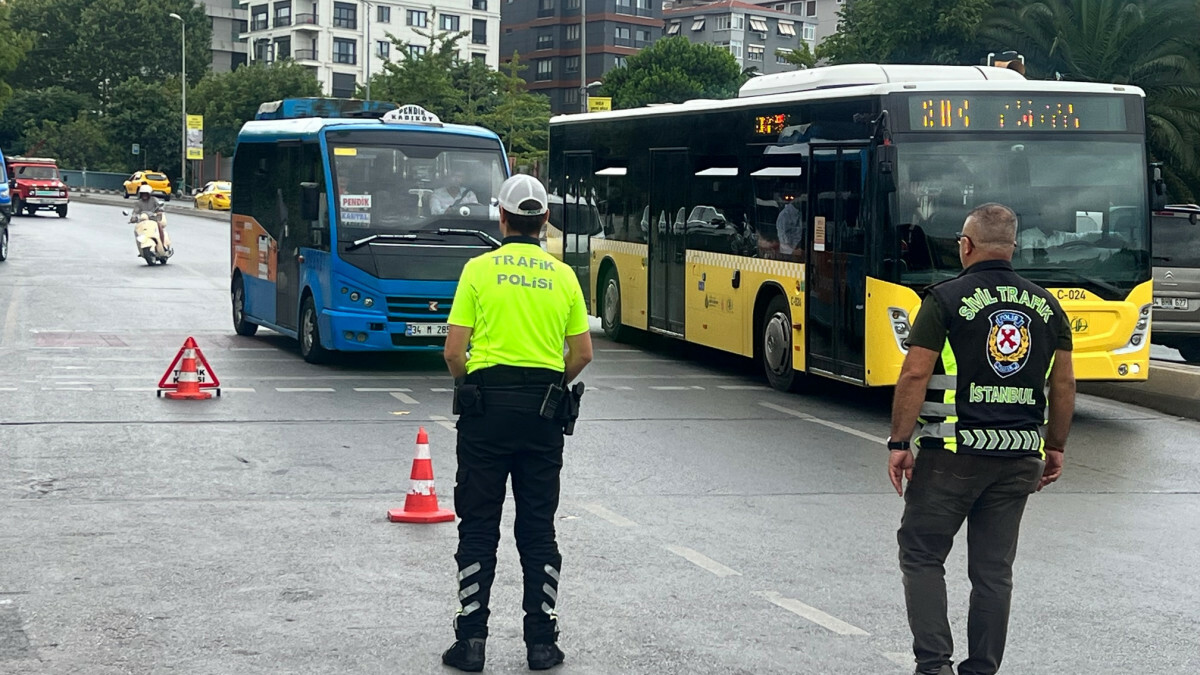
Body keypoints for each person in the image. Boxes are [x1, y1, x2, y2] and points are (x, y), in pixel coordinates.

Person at [886, 203, 1076, 675]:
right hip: (1018, 457)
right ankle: (982, 669)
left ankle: (934, 665)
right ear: (1013, 247)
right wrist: (1055, 446)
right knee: (993, 571)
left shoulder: (945, 299)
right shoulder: (1048, 306)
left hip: (952, 454)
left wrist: (898, 442)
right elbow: (1065, 385)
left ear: (966, 246)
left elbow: (914, 373)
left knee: (922, 552)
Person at [441, 173, 594, 673]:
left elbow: (453, 351)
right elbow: (583, 353)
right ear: (545, 220)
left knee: (479, 525)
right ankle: (541, 642)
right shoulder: (564, 275)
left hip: (486, 413)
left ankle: (471, 642)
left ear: (502, 218)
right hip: (543, 416)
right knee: (537, 528)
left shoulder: (478, 271)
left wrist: (471, 386)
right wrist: (552, 387)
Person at [130, 184, 172, 252]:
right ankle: (141, 248)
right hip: (143, 220)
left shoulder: (154, 200)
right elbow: (135, 212)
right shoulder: (138, 203)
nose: (144, 195)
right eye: (143, 193)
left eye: (146, 193)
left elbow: (160, 207)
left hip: (154, 219)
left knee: (159, 227)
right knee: (137, 230)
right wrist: (133, 218)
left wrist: (159, 211)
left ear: (149, 194)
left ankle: (163, 245)